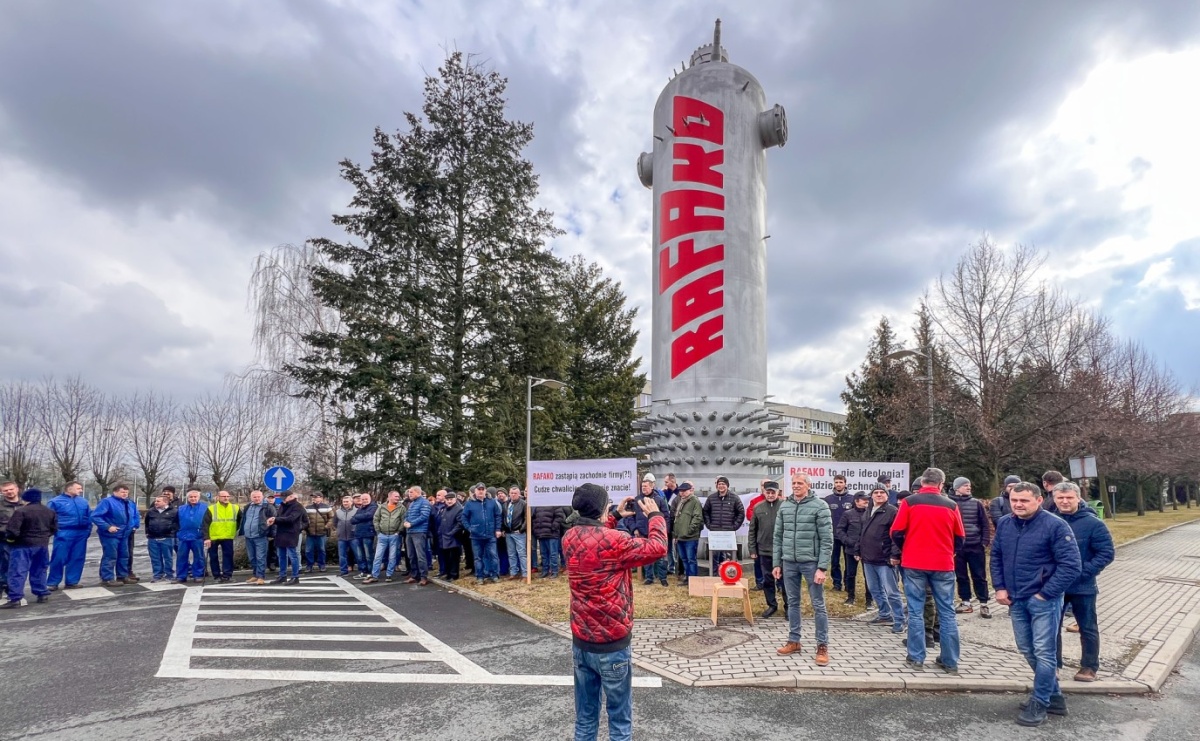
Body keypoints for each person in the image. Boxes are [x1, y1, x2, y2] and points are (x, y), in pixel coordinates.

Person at [563, 483, 666, 741]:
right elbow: (657, 547)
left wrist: (615, 517)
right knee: (619, 719)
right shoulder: (617, 541)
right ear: (601, 508)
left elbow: (594, 541)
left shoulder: (569, 538)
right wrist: (655, 516)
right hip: (613, 643)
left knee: (585, 718)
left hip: (582, 641)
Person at [992, 482, 1082, 726]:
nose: (1018, 504)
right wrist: (999, 587)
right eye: (1014, 500)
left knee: (1044, 652)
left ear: (1039, 500)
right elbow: (997, 556)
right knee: (1026, 648)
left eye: (1024, 500)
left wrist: (1045, 594)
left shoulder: (1055, 525)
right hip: (1016, 599)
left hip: (1044, 601)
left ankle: (1040, 703)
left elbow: (1071, 565)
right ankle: (1055, 697)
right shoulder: (1005, 524)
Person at [890, 467, 965, 674]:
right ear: (941, 484)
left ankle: (916, 657)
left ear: (922, 483)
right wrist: (951, 552)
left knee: (915, 610)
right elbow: (960, 537)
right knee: (947, 612)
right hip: (943, 563)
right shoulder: (951, 505)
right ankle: (950, 661)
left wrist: (906, 547)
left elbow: (896, 531)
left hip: (914, 562)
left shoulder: (910, 502)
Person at [1052, 481, 1114, 683]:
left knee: (1087, 627)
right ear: (1054, 499)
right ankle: (1053, 666)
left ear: (1078, 498)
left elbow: (1106, 553)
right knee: (1052, 628)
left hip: (1083, 586)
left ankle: (1089, 667)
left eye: (1069, 497)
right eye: (1060, 497)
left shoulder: (1093, 523)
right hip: (1055, 585)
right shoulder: (1048, 521)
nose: (1065, 501)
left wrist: (1082, 571)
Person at [772, 473, 833, 666]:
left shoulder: (820, 506)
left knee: (818, 604)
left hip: (811, 563)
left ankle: (822, 645)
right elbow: (778, 536)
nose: (796, 486)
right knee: (792, 602)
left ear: (808, 485)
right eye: (794, 483)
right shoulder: (786, 506)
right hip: (789, 562)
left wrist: (822, 567)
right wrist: (777, 563)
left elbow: (827, 539)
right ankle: (794, 640)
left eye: (800, 483)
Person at [857, 484, 905, 633]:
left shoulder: (892, 511)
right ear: (871, 495)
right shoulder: (868, 511)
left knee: (892, 592)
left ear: (887, 495)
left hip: (885, 559)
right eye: (875, 492)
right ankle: (884, 614)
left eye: (881, 492)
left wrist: (894, 555)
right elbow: (863, 534)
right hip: (868, 558)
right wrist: (858, 551)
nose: (878, 495)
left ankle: (899, 620)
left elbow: (896, 535)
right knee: (874, 589)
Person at [947, 476, 994, 617]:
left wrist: (984, 542)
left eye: (969, 485)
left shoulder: (976, 503)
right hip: (957, 547)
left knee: (979, 575)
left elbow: (985, 524)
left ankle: (984, 603)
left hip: (975, 545)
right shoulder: (949, 503)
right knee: (961, 576)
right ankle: (965, 602)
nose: (968, 487)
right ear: (957, 488)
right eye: (965, 485)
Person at [3, 488, 56, 608]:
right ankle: (41, 593)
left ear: (26, 499)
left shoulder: (21, 511)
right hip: (42, 545)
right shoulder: (49, 511)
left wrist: (10, 540)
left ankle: (15, 598)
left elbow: (12, 530)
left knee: (18, 571)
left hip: (22, 545)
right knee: (40, 569)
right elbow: (54, 529)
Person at [90, 484, 141, 587]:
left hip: (124, 534)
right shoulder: (107, 502)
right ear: (115, 492)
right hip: (110, 534)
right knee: (110, 556)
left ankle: (122, 576)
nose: (125, 494)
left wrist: (134, 526)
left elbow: (134, 516)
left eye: (126, 492)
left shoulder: (129, 503)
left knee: (124, 556)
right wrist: (107, 526)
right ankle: (107, 578)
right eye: (122, 492)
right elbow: (95, 516)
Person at [747, 480, 785, 618]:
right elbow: (752, 530)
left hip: (782, 550)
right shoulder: (758, 507)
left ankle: (789, 607)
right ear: (764, 492)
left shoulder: (785, 506)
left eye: (772, 492)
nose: (770, 495)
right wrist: (752, 549)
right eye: (767, 492)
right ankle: (772, 605)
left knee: (785, 580)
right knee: (768, 580)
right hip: (764, 550)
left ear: (778, 493)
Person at [623, 476, 669, 586]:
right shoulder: (636, 500)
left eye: (646, 486)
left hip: (657, 531)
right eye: (642, 486)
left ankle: (662, 578)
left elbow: (666, 516)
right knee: (646, 556)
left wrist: (664, 529)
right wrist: (634, 528)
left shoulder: (659, 499)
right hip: (642, 531)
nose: (644, 488)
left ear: (651, 486)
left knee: (661, 557)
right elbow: (630, 517)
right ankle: (649, 577)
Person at [45, 481, 90, 591]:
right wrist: (55, 531)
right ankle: (53, 582)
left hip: (81, 533)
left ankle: (72, 581)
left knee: (77, 557)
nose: (81, 490)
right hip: (64, 532)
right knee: (59, 557)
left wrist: (87, 531)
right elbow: (48, 519)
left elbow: (89, 517)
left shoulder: (83, 501)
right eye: (78, 488)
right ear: (69, 489)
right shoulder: (55, 502)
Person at [461, 482, 502, 584]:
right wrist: (469, 528)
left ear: (485, 490)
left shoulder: (492, 502)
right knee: (478, 557)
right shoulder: (469, 503)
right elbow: (464, 517)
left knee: (493, 555)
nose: (480, 491)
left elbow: (498, 516)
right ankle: (480, 576)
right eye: (478, 489)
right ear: (475, 491)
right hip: (476, 536)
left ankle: (494, 575)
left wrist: (497, 529)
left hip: (490, 534)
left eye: (482, 489)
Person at [835, 492, 871, 606]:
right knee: (850, 574)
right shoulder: (848, 514)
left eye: (867, 499)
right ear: (856, 501)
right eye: (864, 499)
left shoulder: (872, 513)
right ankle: (850, 597)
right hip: (851, 549)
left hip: (867, 550)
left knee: (868, 575)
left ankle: (869, 600)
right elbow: (840, 530)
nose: (866, 501)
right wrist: (847, 541)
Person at [364, 490, 406, 584]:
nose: (398, 498)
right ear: (390, 497)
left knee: (392, 556)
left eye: (398, 496)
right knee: (378, 556)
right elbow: (376, 519)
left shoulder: (401, 508)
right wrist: (378, 531)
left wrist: (398, 531)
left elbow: (403, 520)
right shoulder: (382, 507)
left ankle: (389, 575)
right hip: (382, 535)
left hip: (394, 535)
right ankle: (374, 575)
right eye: (396, 496)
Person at [702, 476, 744, 568]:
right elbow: (705, 512)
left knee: (729, 557)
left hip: (728, 532)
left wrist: (734, 526)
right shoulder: (711, 498)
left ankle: (729, 575)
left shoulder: (734, 498)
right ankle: (714, 575)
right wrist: (709, 525)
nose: (721, 486)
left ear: (727, 486)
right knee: (714, 556)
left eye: (723, 484)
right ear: (716, 486)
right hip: (715, 532)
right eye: (719, 484)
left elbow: (741, 513)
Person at [823, 474, 855, 591]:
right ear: (834, 483)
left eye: (841, 482)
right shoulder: (828, 499)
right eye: (836, 482)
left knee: (848, 561)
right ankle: (837, 583)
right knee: (834, 561)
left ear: (845, 484)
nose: (838, 484)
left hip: (847, 536)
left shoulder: (852, 499)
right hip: (833, 536)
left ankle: (847, 583)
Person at [201, 490, 241, 583]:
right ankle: (216, 576)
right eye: (223, 496)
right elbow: (205, 524)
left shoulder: (235, 508)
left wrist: (235, 529)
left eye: (227, 496)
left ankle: (227, 575)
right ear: (218, 497)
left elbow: (240, 520)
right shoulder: (211, 508)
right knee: (213, 557)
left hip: (228, 536)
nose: (226, 498)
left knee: (228, 556)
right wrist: (206, 538)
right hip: (214, 536)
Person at [269, 492, 307, 584]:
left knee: (293, 555)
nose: (283, 499)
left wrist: (276, 519)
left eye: (284, 497)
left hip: (291, 533)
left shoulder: (297, 506)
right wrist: (273, 520)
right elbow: (279, 517)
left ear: (291, 497)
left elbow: (291, 519)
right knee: (281, 555)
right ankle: (282, 576)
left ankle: (295, 576)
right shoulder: (282, 505)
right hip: (281, 533)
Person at [239, 490, 275, 584]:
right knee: (252, 557)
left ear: (262, 497)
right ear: (251, 498)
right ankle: (255, 575)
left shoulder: (268, 507)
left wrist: (271, 534)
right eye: (254, 497)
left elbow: (274, 521)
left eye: (258, 496)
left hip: (261, 536)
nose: (257, 498)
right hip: (248, 536)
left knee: (260, 557)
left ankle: (261, 577)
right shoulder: (247, 507)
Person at [671, 482, 703, 585]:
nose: (682, 493)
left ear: (690, 490)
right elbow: (677, 519)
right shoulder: (680, 501)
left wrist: (689, 531)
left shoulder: (695, 501)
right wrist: (676, 535)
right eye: (681, 491)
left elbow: (697, 518)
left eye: (684, 491)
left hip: (690, 537)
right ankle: (688, 578)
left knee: (691, 559)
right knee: (684, 559)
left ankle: (693, 580)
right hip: (680, 537)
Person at [175, 490, 208, 583]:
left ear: (198, 497)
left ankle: (198, 575)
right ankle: (181, 576)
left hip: (198, 536)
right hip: (183, 536)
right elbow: (175, 522)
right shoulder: (181, 508)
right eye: (191, 497)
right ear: (187, 498)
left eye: (195, 497)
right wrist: (178, 532)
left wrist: (205, 535)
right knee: (181, 557)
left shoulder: (205, 508)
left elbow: (207, 522)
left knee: (199, 556)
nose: (193, 498)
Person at [143, 493, 178, 582]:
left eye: (158, 501)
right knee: (155, 557)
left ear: (165, 502)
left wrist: (172, 533)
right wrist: (147, 532)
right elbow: (147, 523)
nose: (155, 503)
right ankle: (157, 575)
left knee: (168, 557)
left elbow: (177, 524)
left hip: (167, 538)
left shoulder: (174, 511)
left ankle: (169, 574)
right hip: (153, 538)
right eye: (155, 501)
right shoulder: (151, 511)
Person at [404, 486, 432, 585]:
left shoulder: (424, 503)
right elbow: (407, 515)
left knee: (420, 555)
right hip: (410, 532)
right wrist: (405, 521)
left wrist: (412, 523)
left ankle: (423, 576)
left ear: (417, 492)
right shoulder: (412, 504)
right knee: (411, 555)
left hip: (419, 532)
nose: (409, 494)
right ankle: (414, 575)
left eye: (411, 492)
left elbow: (424, 516)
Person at [532, 504, 567, 579]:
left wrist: (554, 526)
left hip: (552, 534)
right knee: (543, 554)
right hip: (541, 534)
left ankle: (554, 571)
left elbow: (560, 516)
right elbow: (534, 518)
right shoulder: (537, 506)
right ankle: (545, 571)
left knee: (553, 554)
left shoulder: (555, 504)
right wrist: (536, 528)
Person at [0, 481, 24, 588]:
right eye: (5, 490)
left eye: (11, 489)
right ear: (2, 492)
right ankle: (4, 585)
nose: (9, 492)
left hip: (24, 539)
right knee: (5, 564)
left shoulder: (26, 504)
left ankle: (15, 587)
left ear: (17, 489)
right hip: (4, 540)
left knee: (20, 566)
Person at [502, 485, 528, 581]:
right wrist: (503, 528)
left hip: (519, 533)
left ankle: (525, 574)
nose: (513, 495)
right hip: (508, 532)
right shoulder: (506, 503)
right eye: (511, 493)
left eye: (515, 493)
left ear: (519, 494)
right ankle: (514, 572)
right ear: (509, 494)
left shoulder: (523, 504)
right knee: (511, 553)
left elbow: (526, 518)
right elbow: (504, 517)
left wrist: (521, 529)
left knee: (521, 553)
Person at [301, 492, 332, 573]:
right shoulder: (307, 508)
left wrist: (326, 527)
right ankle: (309, 566)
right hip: (310, 533)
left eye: (316, 497)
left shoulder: (327, 507)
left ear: (321, 498)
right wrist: (306, 528)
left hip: (322, 533)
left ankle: (322, 565)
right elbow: (304, 519)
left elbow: (331, 518)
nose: (314, 498)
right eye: (313, 497)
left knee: (321, 550)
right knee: (308, 550)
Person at [746, 479, 768, 589]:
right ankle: (760, 582)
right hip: (759, 535)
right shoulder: (755, 501)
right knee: (758, 561)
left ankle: (778, 584)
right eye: (763, 485)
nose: (765, 488)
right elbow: (749, 514)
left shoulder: (779, 501)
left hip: (772, 537)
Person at [351, 493, 378, 580]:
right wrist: (361, 517)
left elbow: (369, 515)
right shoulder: (360, 508)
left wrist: (358, 517)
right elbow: (352, 520)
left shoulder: (374, 507)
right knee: (360, 555)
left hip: (368, 534)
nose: (364, 501)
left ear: (370, 499)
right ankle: (363, 571)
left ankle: (370, 572)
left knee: (368, 555)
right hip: (358, 534)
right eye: (362, 499)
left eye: (366, 499)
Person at [438, 492, 464, 580]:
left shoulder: (459, 509)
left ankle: (454, 574)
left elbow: (460, 524)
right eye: (447, 500)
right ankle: (448, 573)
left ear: (455, 499)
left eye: (451, 499)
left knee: (454, 558)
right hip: (444, 536)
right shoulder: (444, 509)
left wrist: (452, 533)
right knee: (446, 557)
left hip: (454, 537)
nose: (449, 501)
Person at [333, 495, 358, 576]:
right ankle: (343, 571)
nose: (345, 503)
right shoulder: (337, 512)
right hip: (342, 537)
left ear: (351, 502)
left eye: (347, 501)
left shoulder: (357, 511)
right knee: (342, 555)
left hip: (353, 536)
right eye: (344, 502)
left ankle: (363, 571)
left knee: (358, 554)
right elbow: (335, 523)